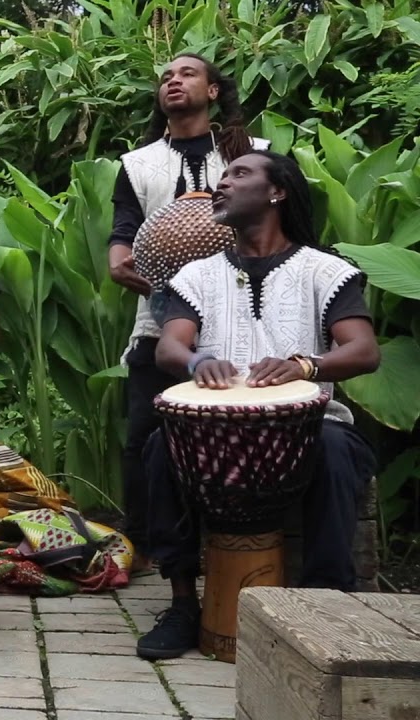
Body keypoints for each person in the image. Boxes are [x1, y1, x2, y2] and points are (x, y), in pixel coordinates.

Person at [136, 151, 380, 660]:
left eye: (239, 174)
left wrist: (306, 366)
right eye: (223, 175)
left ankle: (326, 602)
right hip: (214, 430)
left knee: (336, 448)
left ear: (277, 192)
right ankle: (183, 603)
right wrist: (197, 359)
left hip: (309, 424)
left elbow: (363, 350)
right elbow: (169, 346)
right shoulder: (197, 276)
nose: (222, 184)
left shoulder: (325, 271)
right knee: (160, 446)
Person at [108, 53, 269, 569]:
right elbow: (123, 232)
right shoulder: (138, 164)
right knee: (144, 435)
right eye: (166, 78)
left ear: (214, 91)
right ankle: (144, 544)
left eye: (187, 74)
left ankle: (224, 541)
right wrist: (118, 263)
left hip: (242, 315)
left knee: (231, 430)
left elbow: (281, 224)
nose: (173, 82)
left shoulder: (256, 154)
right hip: (158, 317)